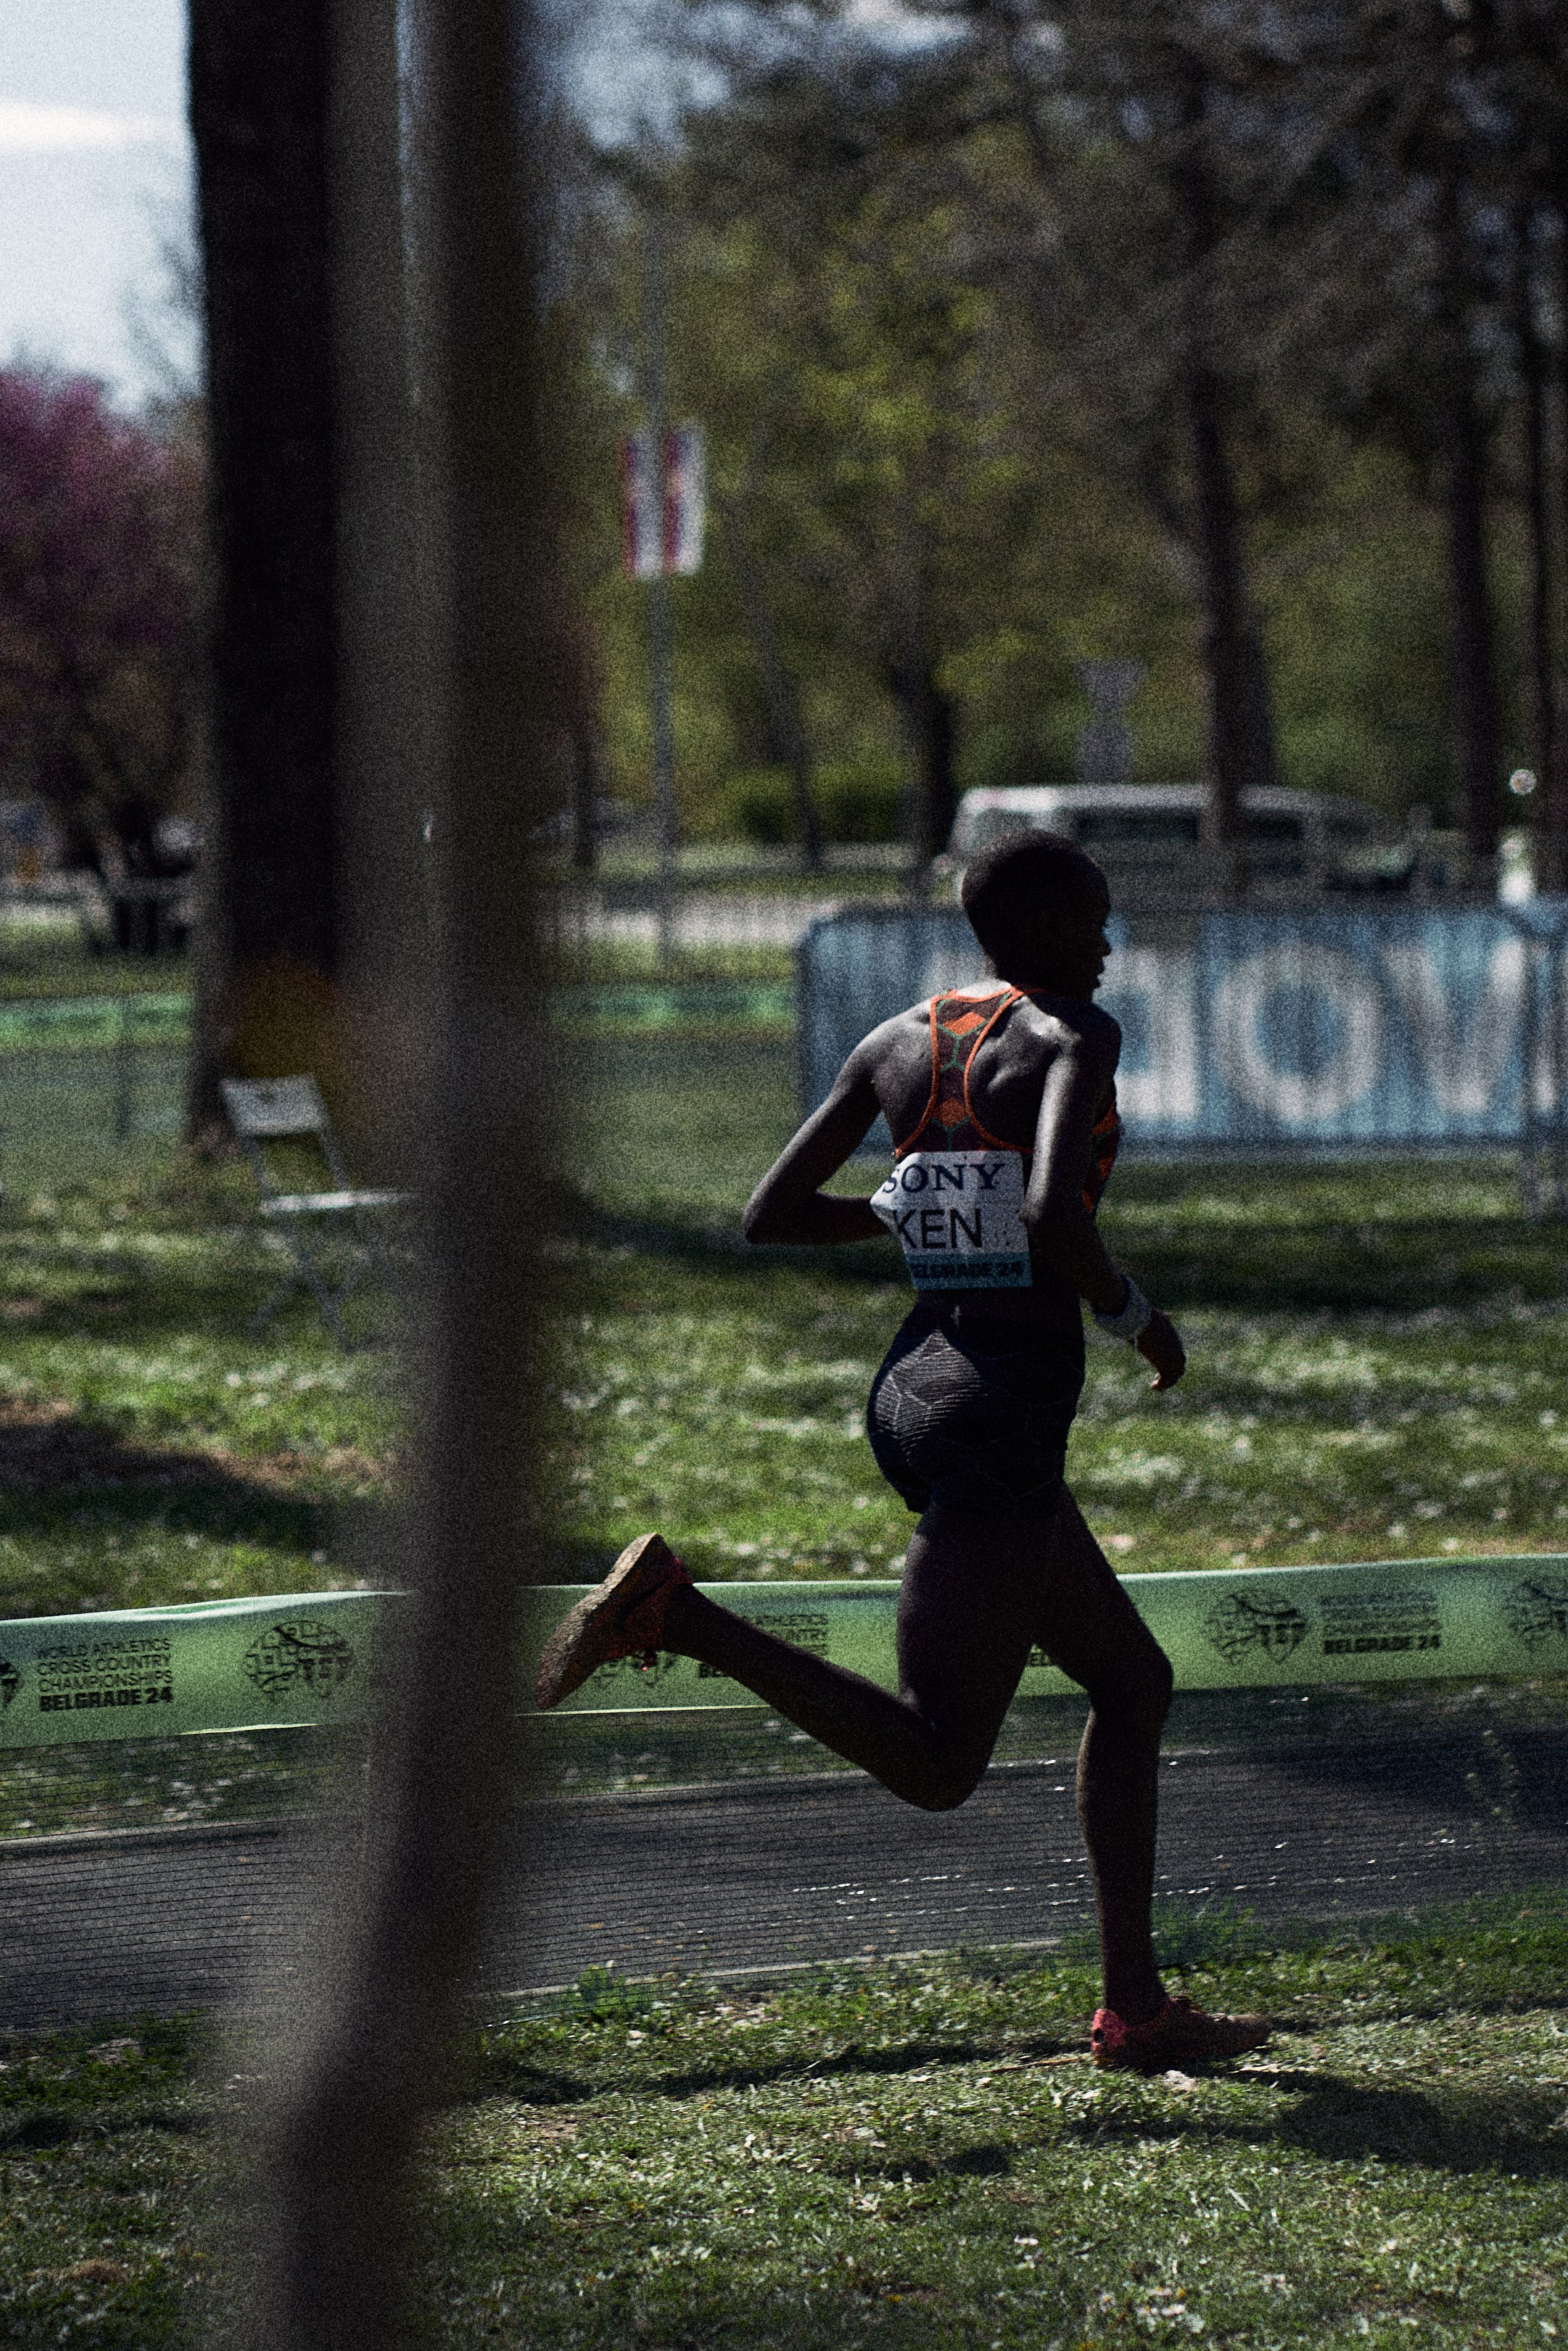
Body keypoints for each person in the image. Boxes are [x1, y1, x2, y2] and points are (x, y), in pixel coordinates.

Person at [537, 830, 1269, 2072]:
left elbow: (770, 1215)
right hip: (1000, 1418)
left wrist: (908, 1222)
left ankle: (1135, 2012)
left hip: (915, 1387)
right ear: (1037, 929)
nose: (1105, 943)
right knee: (939, 1764)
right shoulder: (1071, 1036)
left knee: (1132, 1685)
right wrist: (1139, 1319)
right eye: (1088, 920)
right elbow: (1051, 1211)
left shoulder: (899, 1039)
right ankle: (678, 1616)